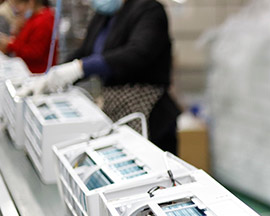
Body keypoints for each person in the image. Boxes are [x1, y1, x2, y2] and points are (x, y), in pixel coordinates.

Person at [28, 0, 179, 154]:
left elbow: (137, 52)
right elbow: (85, 51)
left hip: (149, 111)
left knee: (148, 160)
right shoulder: (103, 16)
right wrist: (54, 75)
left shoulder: (149, 9)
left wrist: (80, 68)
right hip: (115, 103)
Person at [0, 0, 56, 73]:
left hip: (36, 73)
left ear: (31, 2)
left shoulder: (43, 21)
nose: (17, 9)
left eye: (18, 5)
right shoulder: (33, 18)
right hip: (27, 70)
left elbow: (34, 53)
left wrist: (10, 44)